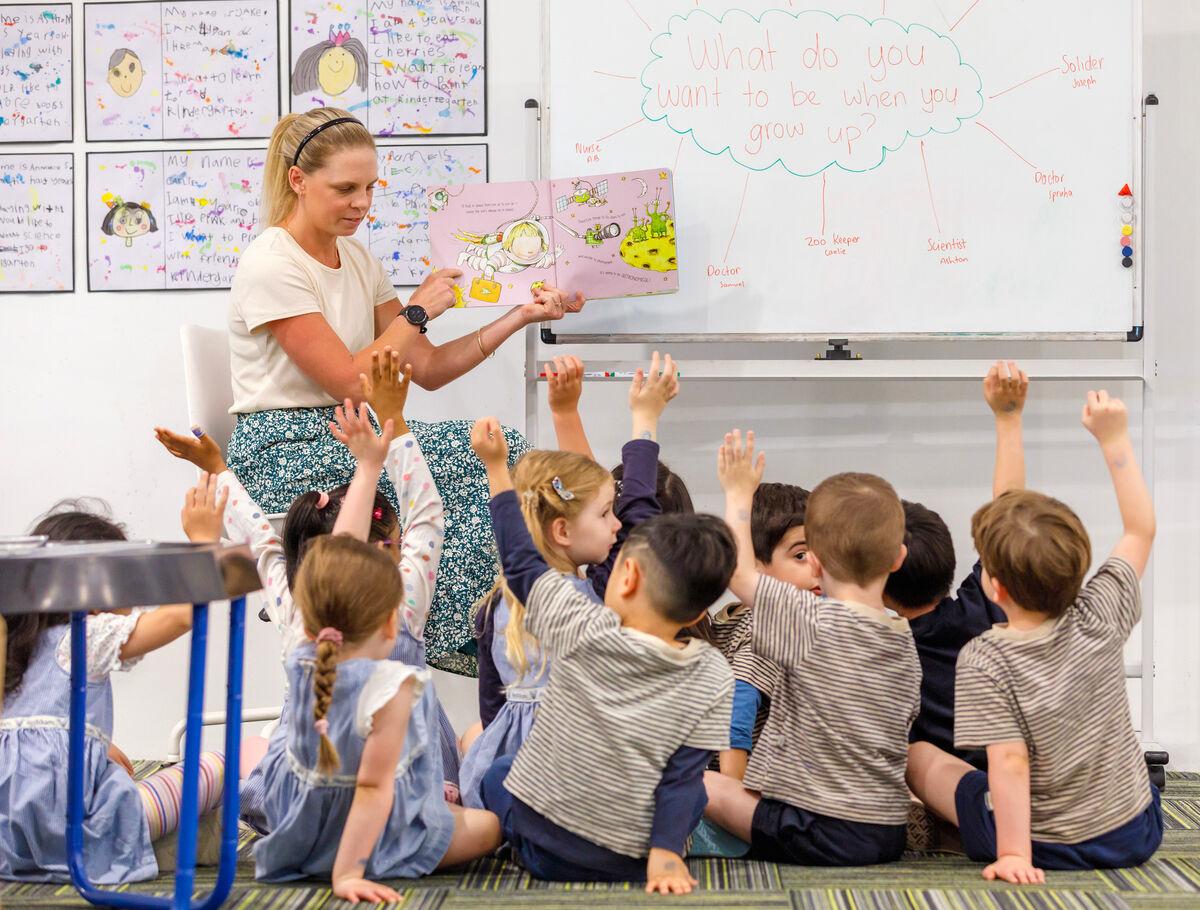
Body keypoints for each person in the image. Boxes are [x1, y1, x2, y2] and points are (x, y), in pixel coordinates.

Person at [227, 107, 586, 671]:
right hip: (287, 448)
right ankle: (464, 638)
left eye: (370, 187)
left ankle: (515, 628)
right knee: (466, 482)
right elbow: (350, 379)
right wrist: (416, 310)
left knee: (509, 450)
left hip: (350, 430)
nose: (362, 203)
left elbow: (431, 367)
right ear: (297, 180)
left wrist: (519, 315)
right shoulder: (271, 263)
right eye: (345, 188)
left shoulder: (358, 258)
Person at [905, 390, 1162, 883]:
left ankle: (970, 837)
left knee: (921, 758)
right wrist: (1116, 441)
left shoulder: (985, 657)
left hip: (1046, 844)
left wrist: (1016, 854)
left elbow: (1009, 762)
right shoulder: (1103, 609)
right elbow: (1141, 528)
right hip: (1135, 831)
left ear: (995, 585)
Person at [471, 417, 736, 893]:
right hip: (633, 863)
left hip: (548, 851)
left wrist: (497, 470)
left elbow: (520, 559)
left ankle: (520, 849)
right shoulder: (713, 673)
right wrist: (663, 858)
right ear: (699, 610)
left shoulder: (584, 628)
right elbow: (680, 778)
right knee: (693, 786)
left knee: (500, 773)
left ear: (628, 578)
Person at [703, 431, 920, 866]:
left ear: (816, 561)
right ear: (898, 558)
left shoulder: (808, 618)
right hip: (888, 829)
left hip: (817, 832)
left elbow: (739, 572)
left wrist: (738, 492)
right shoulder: (903, 637)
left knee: (694, 782)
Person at [253, 536, 502, 901]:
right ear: (391, 623)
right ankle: (363, 858)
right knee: (491, 826)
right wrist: (348, 874)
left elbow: (267, 545)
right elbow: (372, 790)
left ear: (308, 624)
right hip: (371, 845)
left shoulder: (302, 659)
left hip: (301, 835)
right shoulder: (391, 688)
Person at [0, 490, 227, 883]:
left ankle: (143, 845)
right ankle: (137, 846)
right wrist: (204, 542)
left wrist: (95, 744)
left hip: (11, 839)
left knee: (118, 775)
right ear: (96, 592)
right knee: (215, 768)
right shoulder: (85, 635)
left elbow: (30, 735)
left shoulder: (13, 649)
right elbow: (179, 617)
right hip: (79, 833)